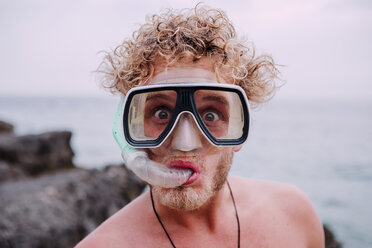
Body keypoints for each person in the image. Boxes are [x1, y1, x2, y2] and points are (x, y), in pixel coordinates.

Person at [76, 5, 324, 248]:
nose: (185, 144)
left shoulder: (295, 217)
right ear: (128, 129)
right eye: (161, 113)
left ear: (238, 126)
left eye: (211, 115)